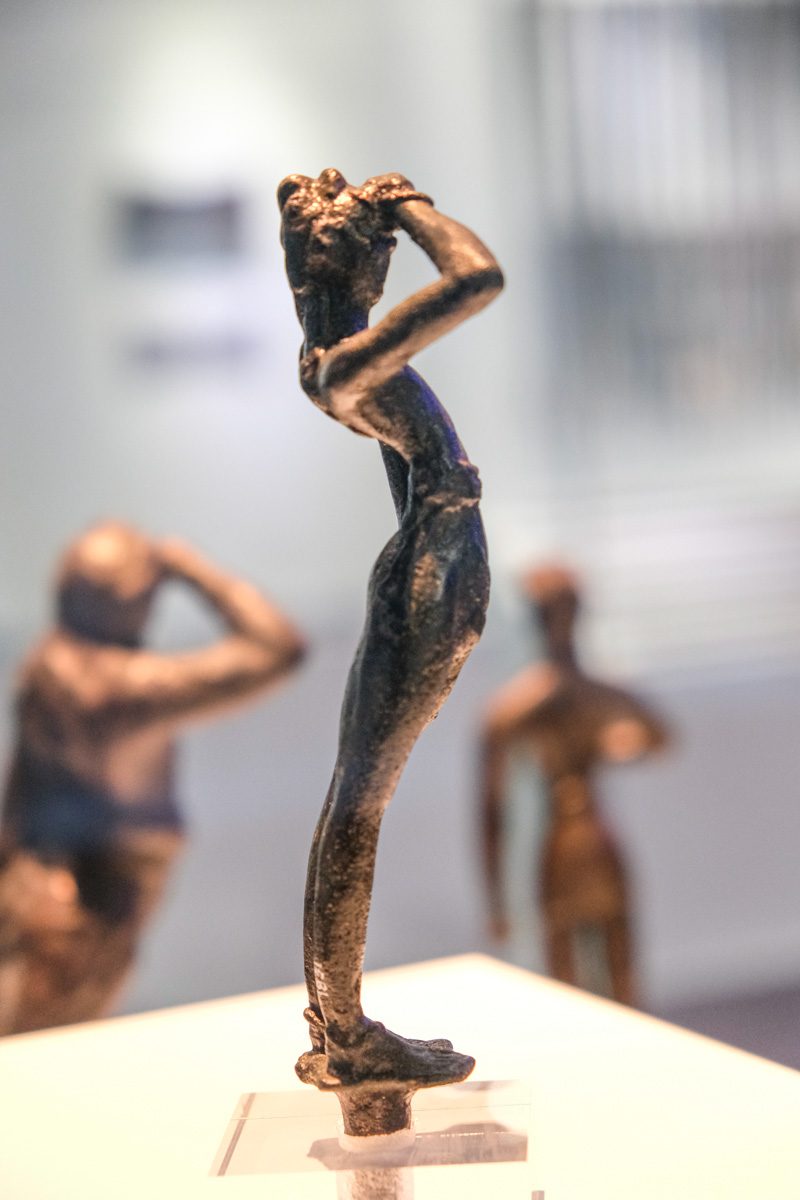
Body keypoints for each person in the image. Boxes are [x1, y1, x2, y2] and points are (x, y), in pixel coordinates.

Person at [279, 168, 503, 1088]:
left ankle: (339, 1028)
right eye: (380, 254)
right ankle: (347, 1034)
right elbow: (477, 277)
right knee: (360, 796)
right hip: (430, 567)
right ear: (356, 267)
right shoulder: (346, 363)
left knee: (355, 792)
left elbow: (409, 473)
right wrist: (411, 208)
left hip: (423, 554)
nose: (389, 265)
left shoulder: (330, 359)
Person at [0, 522, 305, 1029]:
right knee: (44, 1048)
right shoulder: (121, 686)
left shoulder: (45, 667)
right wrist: (190, 566)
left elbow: (20, 791)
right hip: (85, 909)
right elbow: (276, 647)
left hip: (39, 886)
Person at [480, 564, 669, 1004]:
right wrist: (496, 903)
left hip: (586, 844)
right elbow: (491, 809)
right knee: (573, 975)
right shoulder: (521, 706)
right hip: (571, 846)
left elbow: (660, 737)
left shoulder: (549, 699)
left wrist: (626, 744)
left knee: (614, 969)